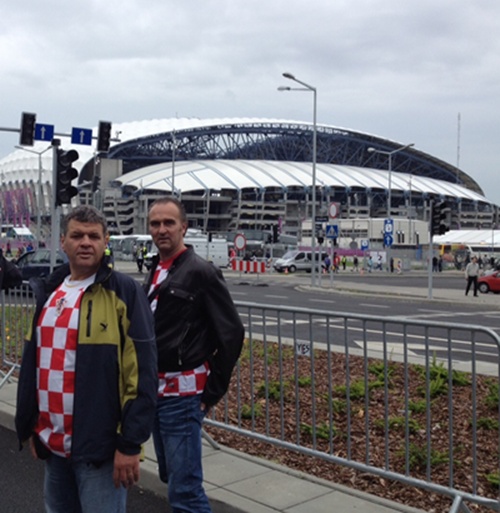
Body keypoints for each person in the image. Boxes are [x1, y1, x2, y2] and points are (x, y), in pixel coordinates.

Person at [15, 205, 158, 513]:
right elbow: (35, 365)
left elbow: (143, 373)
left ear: (105, 241)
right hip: (53, 444)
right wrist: (31, 425)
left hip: (101, 449)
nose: (85, 242)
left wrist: (130, 443)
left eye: (94, 236)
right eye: (77, 235)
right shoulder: (49, 292)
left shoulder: (124, 293)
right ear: (63, 241)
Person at [145, 196, 244, 513]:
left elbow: (231, 333)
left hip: (183, 395)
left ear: (183, 228)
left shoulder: (202, 272)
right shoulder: (156, 269)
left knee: (185, 491)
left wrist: (211, 391)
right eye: (155, 223)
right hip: (156, 392)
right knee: (170, 475)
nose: (162, 230)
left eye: (169, 223)